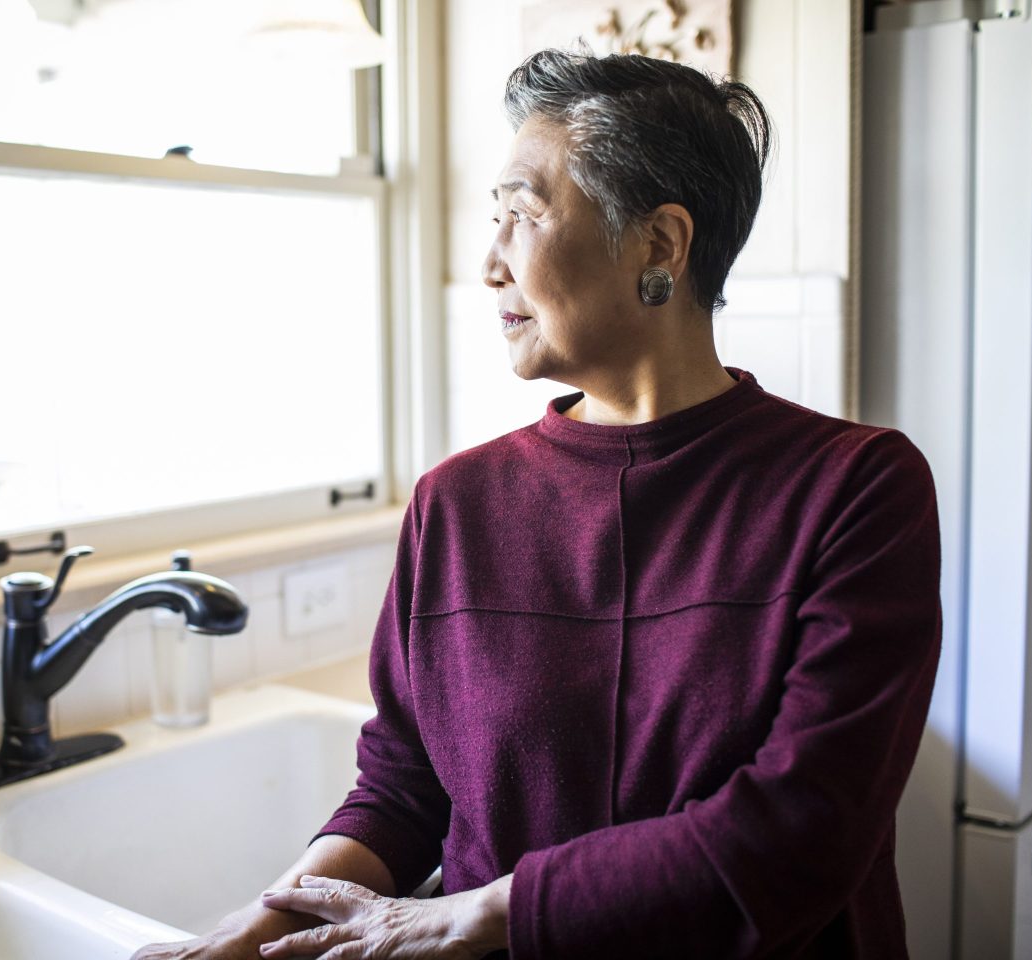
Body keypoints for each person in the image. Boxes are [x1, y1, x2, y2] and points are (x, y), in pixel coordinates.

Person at [131, 47, 940, 960]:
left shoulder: (856, 487)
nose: (489, 264)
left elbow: (804, 829)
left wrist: (477, 913)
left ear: (660, 245)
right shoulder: (457, 502)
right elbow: (405, 786)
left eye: (521, 214)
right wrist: (266, 924)